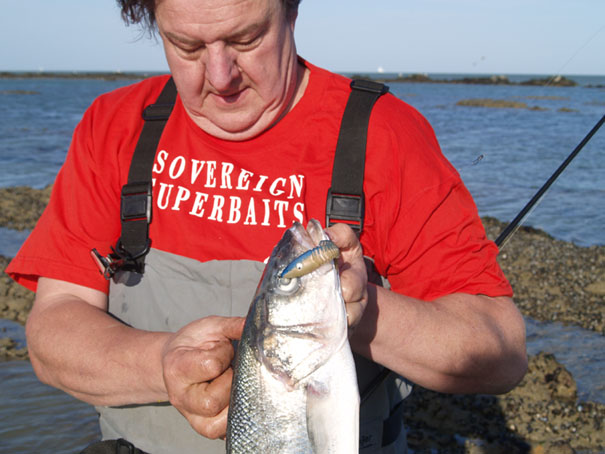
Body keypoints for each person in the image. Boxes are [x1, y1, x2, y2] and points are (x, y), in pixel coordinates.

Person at [7, 0, 528, 452]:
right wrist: (162, 362)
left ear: (292, 11)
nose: (219, 75)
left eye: (246, 38)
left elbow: (501, 354)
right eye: (185, 46)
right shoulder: (116, 126)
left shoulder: (385, 134)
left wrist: (368, 313)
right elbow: (54, 328)